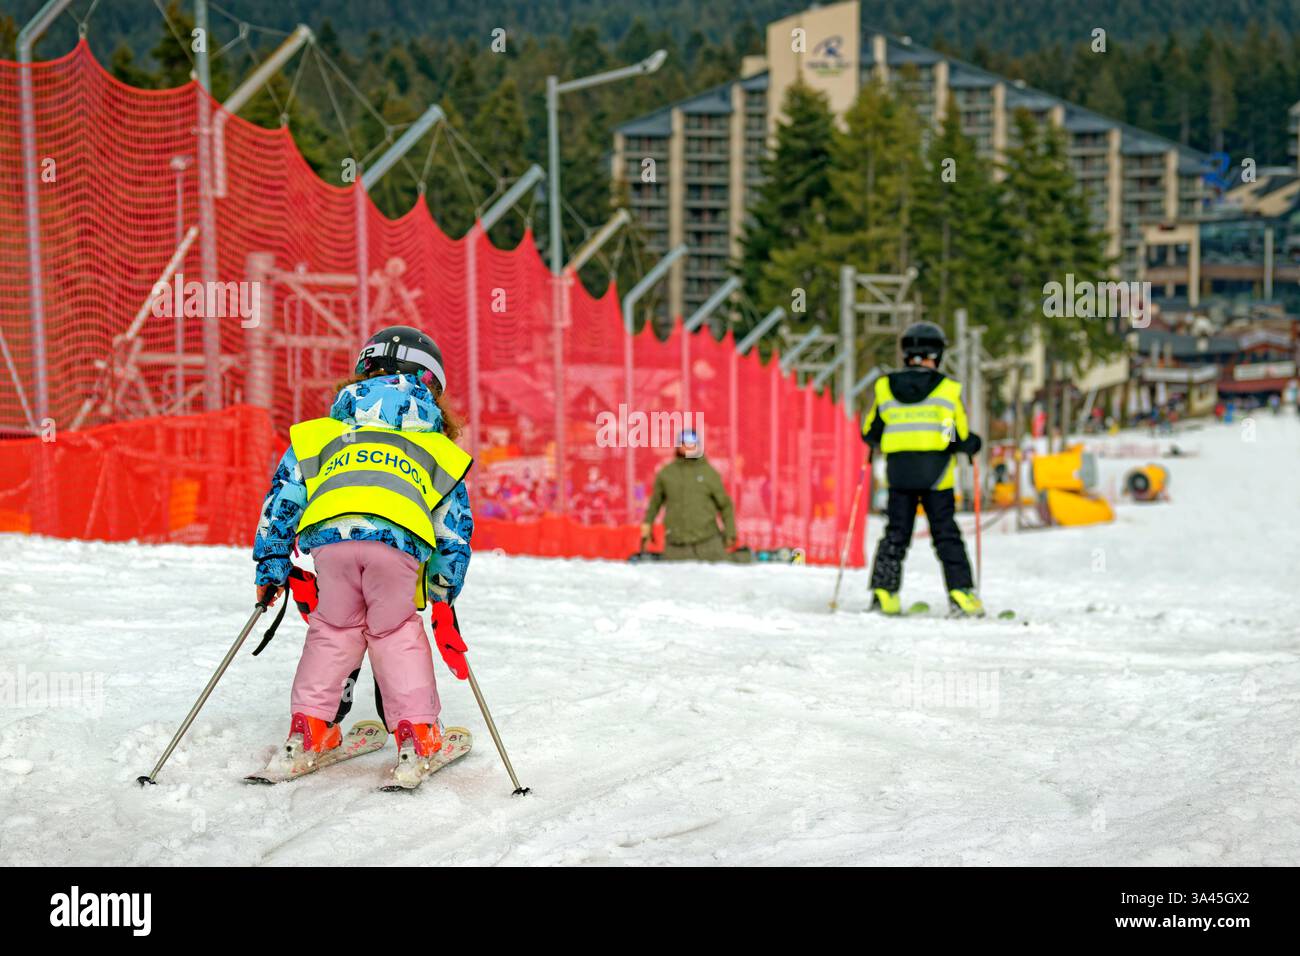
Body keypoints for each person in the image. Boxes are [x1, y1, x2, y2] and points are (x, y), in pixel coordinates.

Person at [251, 325, 474, 781]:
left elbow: (283, 495)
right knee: (393, 633)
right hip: (397, 546)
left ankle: (310, 729)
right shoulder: (436, 447)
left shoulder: (322, 435)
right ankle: (417, 735)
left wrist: (273, 559)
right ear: (431, 386)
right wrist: (443, 592)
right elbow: (452, 529)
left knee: (332, 630)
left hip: (330, 542)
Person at [861, 321, 984, 617]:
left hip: (899, 474)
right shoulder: (947, 389)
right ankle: (961, 594)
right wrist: (972, 445)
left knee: (896, 533)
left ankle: (884, 593)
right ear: (938, 354)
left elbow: (871, 431)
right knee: (945, 534)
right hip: (936, 475)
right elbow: (956, 435)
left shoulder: (884, 387)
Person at [640, 428, 737, 561]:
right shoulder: (667, 474)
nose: (689, 447)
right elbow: (654, 504)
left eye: (693, 443)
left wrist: (730, 532)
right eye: (685, 443)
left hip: (708, 545)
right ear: (679, 446)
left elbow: (725, 505)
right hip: (676, 546)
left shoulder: (709, 473)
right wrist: (647, 526)